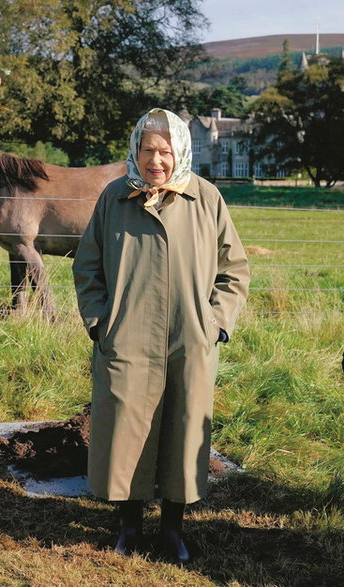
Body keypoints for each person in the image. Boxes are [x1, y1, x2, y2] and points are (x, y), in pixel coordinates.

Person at [72, 108, 249, 564]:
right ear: (135, 150)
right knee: (125, 429)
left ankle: (172, 530)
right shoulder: (115, 196)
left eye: (165, 151)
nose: (156, 161)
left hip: (189, 338)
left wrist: (215, 324)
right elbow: (87, 266)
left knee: (184, 429)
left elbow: (234, 271)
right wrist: (99, 321)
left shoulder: (206, 199)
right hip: (126, 337)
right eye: (148, 150)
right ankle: (129, 527)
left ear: (180, 153)